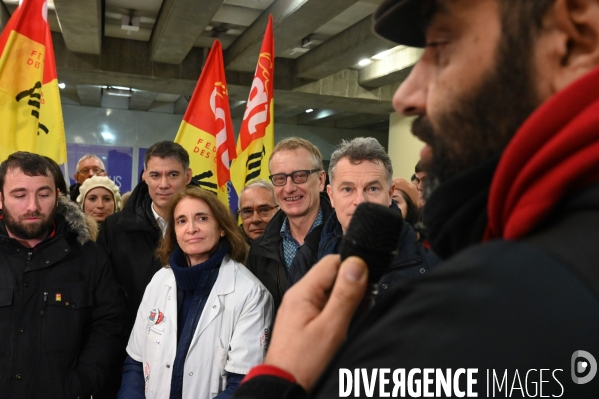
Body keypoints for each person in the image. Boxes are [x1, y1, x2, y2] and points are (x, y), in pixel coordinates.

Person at [232, 0, 599, 397]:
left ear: (575, 38)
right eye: (348, 189)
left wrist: (280, 378)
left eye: (441, 46)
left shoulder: (495, 305)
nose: (405, 95)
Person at [119, 187, 273, 399]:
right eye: (181, 221)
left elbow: (245, 384)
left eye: (201, 218)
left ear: (221, 228)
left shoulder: (250, 293)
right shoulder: (159, 281)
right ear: (174, 231)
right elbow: (135, 364)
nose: (191, 228)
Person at [0, 152, 125, 398]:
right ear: (1, 198)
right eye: (19, 194)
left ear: (58, 197)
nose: (32, 206)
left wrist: (82, 382)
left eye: (44, 194)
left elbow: (108, 326)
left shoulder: (88, 256)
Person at [98, 141, 194, 397]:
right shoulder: (115, 228)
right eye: (155, 175)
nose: (163, 184)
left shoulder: (206, 226)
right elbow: (105, 293)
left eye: (173, 174)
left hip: (191, 346)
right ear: (144, 177)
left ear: (188, 176)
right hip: (130, 349)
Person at [291, 137, 438, 293]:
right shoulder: (307, 258)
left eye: (372, 189)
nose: (360, 201)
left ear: (390, 193)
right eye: (348, 189)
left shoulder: (432, 261)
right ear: (331, 196)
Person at [245, 137, 333, 312]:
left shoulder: (347, 240)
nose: (289, 187)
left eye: (300, 176)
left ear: (321, 180)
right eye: (280, 179)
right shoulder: (260, 251)